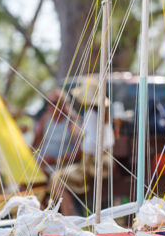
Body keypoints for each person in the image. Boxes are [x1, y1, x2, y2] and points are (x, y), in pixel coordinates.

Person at [48, 80, 114, 215]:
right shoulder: (102, 115)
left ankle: (69, 216)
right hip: (103, 164)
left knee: (57, 178)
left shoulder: (90, 114)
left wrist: (78, 134)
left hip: (92, 166)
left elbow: (89, 147)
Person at [32, 89, 81, 172]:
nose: (49, 106)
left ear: (64, 104)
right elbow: (35, 143)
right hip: (41, 165)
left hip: (60, 168)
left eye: (54, 103)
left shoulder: (72, 122)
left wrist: (55, 160)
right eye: (47, 103)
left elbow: (79, 154)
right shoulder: (46, 118)